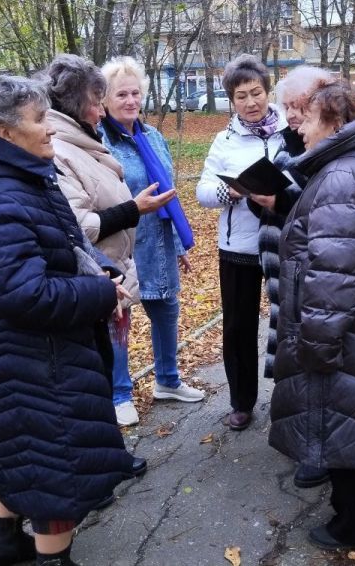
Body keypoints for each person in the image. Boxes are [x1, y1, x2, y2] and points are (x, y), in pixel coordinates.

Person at [0, 76, 134, 566]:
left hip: (33, 351)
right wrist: (100, 292)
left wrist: (98, 270)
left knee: (27, 452)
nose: (51, 130)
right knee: (54, 468)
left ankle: (4, 543)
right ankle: (51, 559)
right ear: (6, 133)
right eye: (40, 119)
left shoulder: (21, 175)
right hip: (34, 356)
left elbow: (62, 248)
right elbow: (24, 292)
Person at [268, 78, 355, 551]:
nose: (301, 130)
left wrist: (318, 340)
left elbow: (334, 273)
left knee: (343, 419)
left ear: (333, 122)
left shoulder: (339, 178)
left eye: (307, 119)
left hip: (350, 328)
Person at [98, 55, 204, 425]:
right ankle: (120, 393)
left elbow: (168, 196)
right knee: (119, 317)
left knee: (165, 310)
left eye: (135, 93)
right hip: (122, 243)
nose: (130, 101)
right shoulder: (100, 142)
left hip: (157, 240)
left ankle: (168, 381)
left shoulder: (153, 138)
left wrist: (177, 245)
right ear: (104, 100)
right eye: (121, 94)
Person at [196, 54, 288, 431]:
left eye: (256, 93)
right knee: (238, 327)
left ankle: (289, 398)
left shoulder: (291, 130)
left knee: (290, 323)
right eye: (240, 97)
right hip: (238, 248)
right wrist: (228, 191)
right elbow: (202, 191)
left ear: (268, 92)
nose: (251, 103)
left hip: (284, 241)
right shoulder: (224, 139)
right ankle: (241, 401)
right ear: (231, 101)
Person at [247, 66, 328, 488]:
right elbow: (280, 199)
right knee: (290, 351)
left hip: (311, 273)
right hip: (281, 270)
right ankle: (299, 435)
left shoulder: (327, 143)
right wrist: (258, 197)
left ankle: (315, 449)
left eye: (297, 107)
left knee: (311, 357)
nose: (291, 115)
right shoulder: (286, 140)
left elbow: (321, 207)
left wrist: (279, 198)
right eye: (287, 107)